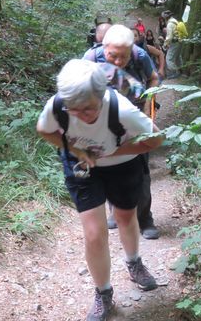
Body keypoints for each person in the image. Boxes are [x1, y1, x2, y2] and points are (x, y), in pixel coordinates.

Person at [37, 60, 164, 321]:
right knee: (94, 234)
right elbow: (44, 130)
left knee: (125, 217)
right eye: (74, 110)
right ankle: (103, 294)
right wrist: (75, 150)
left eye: (88, 110)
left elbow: (157, 138)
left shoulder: (122, 110)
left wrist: (115, 151)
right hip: (82, 166)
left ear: (101, 95)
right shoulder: (59, 105)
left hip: (123, 166)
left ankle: (134, 262)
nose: (80, 116)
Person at [83, 25, 161, 239]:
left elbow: (154, 77)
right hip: (105, 117)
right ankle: (116, 211)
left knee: (142, 168)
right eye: (112, 56)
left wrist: (147, 106)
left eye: (123, 57)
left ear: (132, 50)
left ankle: (145, 218)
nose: (118, 62)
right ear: (103, 47)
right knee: (109, 166)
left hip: (135, 115)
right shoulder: (91, 57)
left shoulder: (140, 55)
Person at [162, 10, 183, 79]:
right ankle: (181, 70)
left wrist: (165, 45)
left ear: (166, 17)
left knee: (169, 58)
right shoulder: (175, 21)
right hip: (180, 41)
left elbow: (169, 36)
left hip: (174, 42)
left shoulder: (170, 24)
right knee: (177, 57)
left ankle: (176, 72)